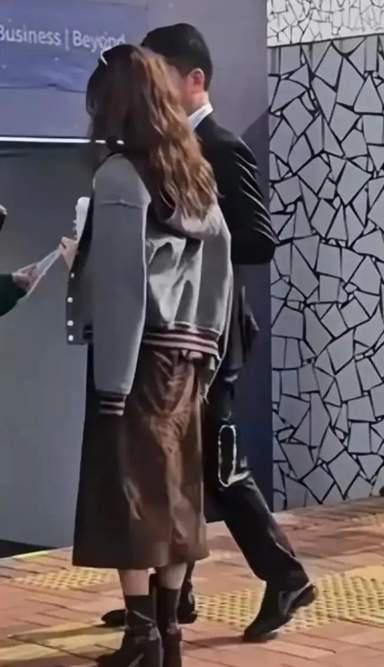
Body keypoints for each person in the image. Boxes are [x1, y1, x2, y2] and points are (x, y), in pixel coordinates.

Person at [102, 23, 314, 643]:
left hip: (213, 332)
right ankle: (174, 598)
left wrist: (189, 238)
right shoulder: (159, 150)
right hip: (182, 330)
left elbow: (258, 239)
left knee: (216, 464)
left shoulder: (219, 146)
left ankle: (286, 575)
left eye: (160, 74)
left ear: (194, 80)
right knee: (180, 462)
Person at [70, 44, 232, 667]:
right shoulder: (191, 171)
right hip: (187, 356)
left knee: (128, 492)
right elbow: (220, 261)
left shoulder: (119, 175)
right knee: (177, 492)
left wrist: (111, 381)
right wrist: (208, 346)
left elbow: (122, 284)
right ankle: (170, 635)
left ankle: (141, 638)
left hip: (135, 356)